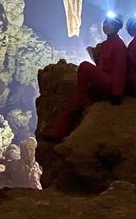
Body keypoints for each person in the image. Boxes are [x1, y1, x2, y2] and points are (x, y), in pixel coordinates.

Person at [44, 12, 128, 142]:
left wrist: (116, 94)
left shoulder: (119, 46)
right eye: (105, 22)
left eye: (110, 24)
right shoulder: (105, 45)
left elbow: (120, 71)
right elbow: (102, 65)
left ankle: (82, 96)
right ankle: (58, 133)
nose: (106, 25)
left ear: (117, 27)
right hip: (104, 81)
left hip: (111, 85)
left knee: (84, 66)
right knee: (73, 103)